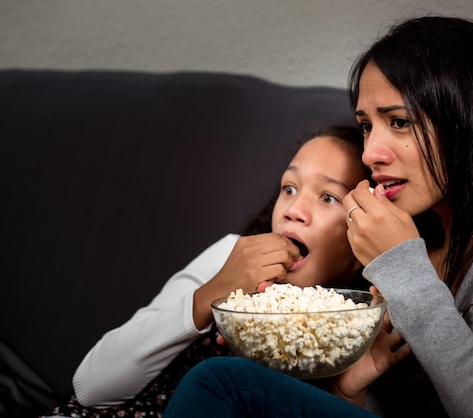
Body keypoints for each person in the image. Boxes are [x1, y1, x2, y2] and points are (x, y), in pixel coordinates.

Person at [163, 15, 473, 418]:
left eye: (398, 122)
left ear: (468, 120)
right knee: (234, 374)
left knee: (223, 384)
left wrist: (407, 274)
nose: (370, 153)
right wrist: (350, 389)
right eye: (366, 126)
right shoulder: (406, 239)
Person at [42, 124, 372, 417]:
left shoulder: (366, 325)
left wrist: (347, 394)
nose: (293, 210)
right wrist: (212, 293)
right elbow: (90, 386)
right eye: (289, 188)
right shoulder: (232, 256)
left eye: (328, 197)